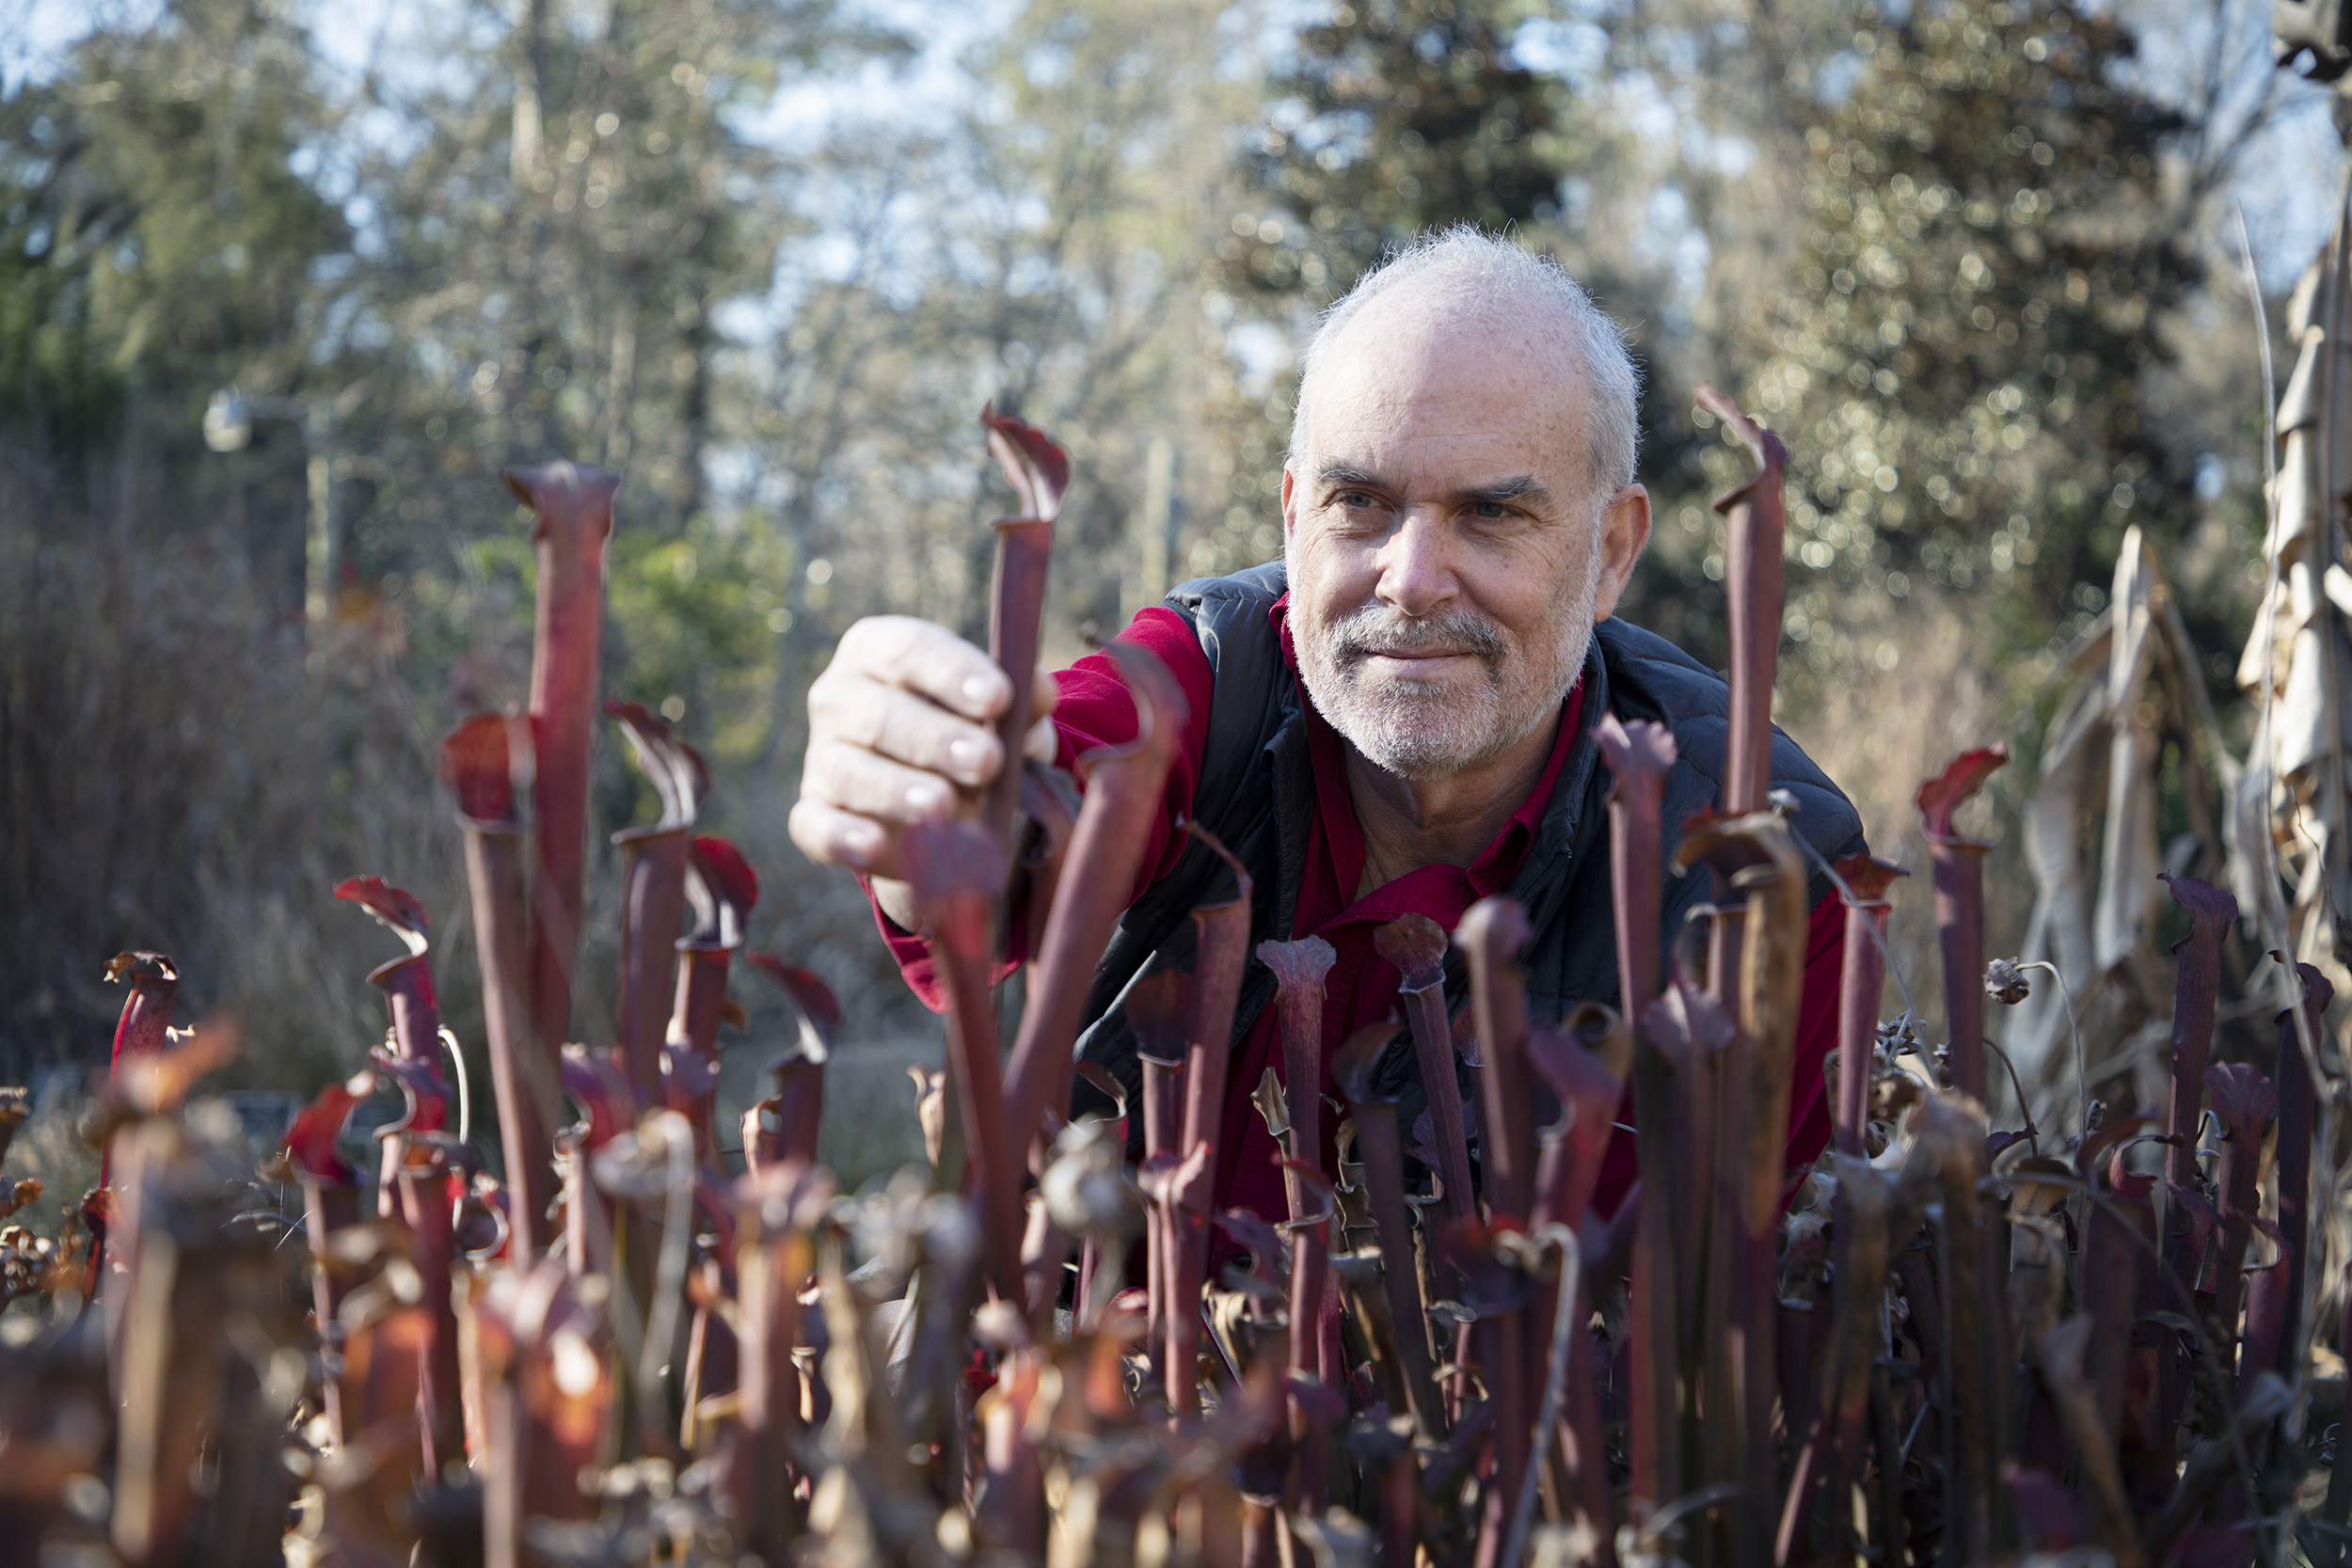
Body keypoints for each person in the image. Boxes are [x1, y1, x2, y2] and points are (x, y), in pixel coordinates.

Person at [789, 227, 1866, 1229]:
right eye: (1360, 502)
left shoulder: (1759, 872)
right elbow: (1014, 818)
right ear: (1294, 513)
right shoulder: (1202, 687)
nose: (1410, 579)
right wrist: (923, 780)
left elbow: (1766, 1340)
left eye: (1492, 512)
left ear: (1613, 550)